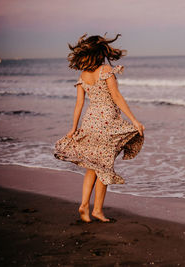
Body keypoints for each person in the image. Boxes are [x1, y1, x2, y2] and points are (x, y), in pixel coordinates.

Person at [54, 33, 145, 223]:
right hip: (107, 123)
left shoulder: (83, 75)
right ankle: (97, 210)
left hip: (90, 122)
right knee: (104, 167)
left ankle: (84, 205)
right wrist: (134, 120)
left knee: (93, 167)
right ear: (100, 52)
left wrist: (73, 128)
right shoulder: (105, 71)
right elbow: (117, 98)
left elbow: (79, 104)